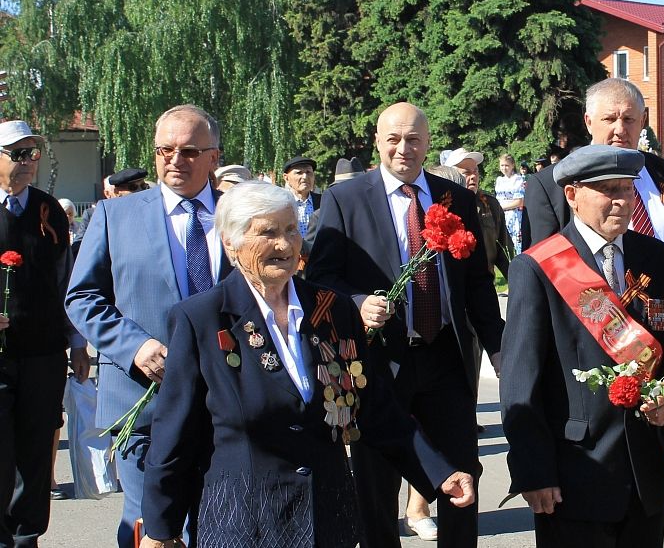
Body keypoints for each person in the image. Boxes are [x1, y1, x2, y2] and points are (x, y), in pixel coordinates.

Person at [136, 181, 475, 548]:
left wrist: (440, 472)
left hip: (328, 520)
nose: (284, 245)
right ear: (230, 243)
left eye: (291, 230)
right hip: (243, 525)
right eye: (267, 233)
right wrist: (161, 529)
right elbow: (175, 433)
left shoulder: (333, 309)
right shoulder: (201, 319)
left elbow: (374, 406)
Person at [307, 102, 504, 548]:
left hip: (445, 359)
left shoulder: (457, 199)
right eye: (393, 139)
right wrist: (358, 303)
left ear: (427, 143)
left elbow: (477, 286)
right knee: (376, 485)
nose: (403, 149)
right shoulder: (345, 200)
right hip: (379, 364)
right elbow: (319, 278)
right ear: (376, 142)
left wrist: (500, 349)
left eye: (413, 139)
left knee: (462, 475)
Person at [500, 145, 664, 548]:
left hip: (645, 470)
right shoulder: (539, 267)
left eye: (626, 188)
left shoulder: (657, 258)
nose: (621, 201)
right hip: (574, 472)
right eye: (608, 190)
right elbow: (521, 380)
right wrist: (534, 472)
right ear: (572, 195)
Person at [67, 104, 231, 546]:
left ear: (214, 156)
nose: (175, 160)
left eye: (190, 151)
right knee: (150, 529)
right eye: (165, 150)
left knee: (220, 526)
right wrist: (134, 348)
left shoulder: (240, 216)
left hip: (227, 401)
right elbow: (82, 298)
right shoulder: (114, 216)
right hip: (144, 403)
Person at [523, 78, 664, 312]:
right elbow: (544, 267)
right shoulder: (550, 184)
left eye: (629, 119)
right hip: (593, 327)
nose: (620, 130)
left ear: (643, 121)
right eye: (609, 119)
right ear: (589, 122)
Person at [0, 120, 88, 547]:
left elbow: (64, 283)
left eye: (32, 153)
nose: (26, 163)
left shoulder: (48, 210)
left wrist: (77, 344)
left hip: (43, 353)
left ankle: (26, 537)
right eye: (16, 154)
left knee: (36, 454)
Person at [448, 148, 513, 279]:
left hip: (485, 284)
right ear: (451, 176)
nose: (473, 176)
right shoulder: (442, 207)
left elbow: (505, 251)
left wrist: (516, 284)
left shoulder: (490, 204)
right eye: (466, 173)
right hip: (454, 286)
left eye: (475, 171)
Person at [78, 167, 150, 239]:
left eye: (143, 186)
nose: (140, 191)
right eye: (133, 187)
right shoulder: (105, 217)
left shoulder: (152, 212)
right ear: (117, 192)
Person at [282, 156, 320, 239]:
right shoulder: (280, 204)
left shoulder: (324, 202)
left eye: (308, 172)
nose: (305, 177)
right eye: (299, 173)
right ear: (286, 178)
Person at [495, 153, 525, 253]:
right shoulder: (499, 180)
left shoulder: (517, 179)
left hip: (514, 215)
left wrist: (502, 207)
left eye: (506, 165)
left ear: (512, 165)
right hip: (501, 215)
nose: (504, 168)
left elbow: (520, 201)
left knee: (516, 242)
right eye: (502, 165)